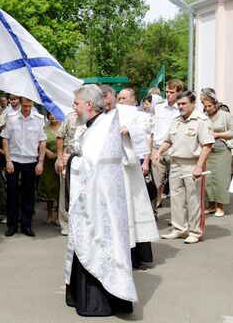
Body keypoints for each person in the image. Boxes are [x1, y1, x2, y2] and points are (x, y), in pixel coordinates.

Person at [64, 84, 137, 316]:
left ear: (88, 104)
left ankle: (98, 301)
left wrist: (70, 160)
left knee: (97, 243)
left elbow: (91, 166)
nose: (74, 108)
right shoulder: (95, 126)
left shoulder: (104, 127)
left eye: (76, 103)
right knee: (86, 243)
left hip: (99, 204)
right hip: (96, 199)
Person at [153, 90, 214, 244]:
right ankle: (179, 229)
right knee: (176, 198)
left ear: (193, 104)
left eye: (184, 103)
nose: (180, 106)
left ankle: (195, 231)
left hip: (192, 164)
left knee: (194, 200)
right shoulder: (176, 120)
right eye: (179, 104)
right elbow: (168, 140)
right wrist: (159, 151)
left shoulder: (201, 120)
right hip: (176, 163)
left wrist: (199, 166)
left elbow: (207, 146)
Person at [111, 88, 159, 270]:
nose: (120, 100)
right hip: (119, 167)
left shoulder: (141, 115)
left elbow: (147, 136)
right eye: (119, 98)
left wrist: (129, 129)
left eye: (124, 97)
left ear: (133, 99)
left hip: (134, 168)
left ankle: (139, 255)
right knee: (124, 209)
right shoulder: (113, 113)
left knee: (136, 207)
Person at [1, 97, 46, 237]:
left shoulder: (38, 119)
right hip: (14, 160)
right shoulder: (11, 117)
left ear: (33, 105)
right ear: (20, 104)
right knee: (12, 194)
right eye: (24, 105)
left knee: (29, 194)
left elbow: (42, 141)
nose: (27, 108)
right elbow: (5, 140)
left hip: (31, 160)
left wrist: (41, 162)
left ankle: (26, 225)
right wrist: (8, 161)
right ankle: (12, 225)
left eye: (29, 106)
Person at [150, 79, 183, 209]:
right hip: (157, 149)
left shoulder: (182, 108)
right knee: (155, 184)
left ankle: (177, 217)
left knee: (176, 185)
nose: (168, 94)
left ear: (179, 92)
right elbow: (153, 130)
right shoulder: (158, 107)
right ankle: (154, 213)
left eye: (172, 92)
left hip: (175, 150)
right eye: (167, 91)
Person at [201, 89, 232, 217]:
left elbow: (231, 132)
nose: (208, 108)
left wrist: (217, 134)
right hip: (207, 150)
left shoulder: (225, 115)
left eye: (210, 106)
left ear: (215, 103)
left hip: (221, 150)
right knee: (208, 179)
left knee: (220, 178)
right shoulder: (204, 116)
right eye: (205, 106)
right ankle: (211, 205)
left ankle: (220, 206)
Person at [55, 111, 80, 236]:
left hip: (85, 159)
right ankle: (65, 223)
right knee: (65, 192)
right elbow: (60, 137)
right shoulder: (70, 117)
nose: (75, 106)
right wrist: (60, 160)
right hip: (67, 157)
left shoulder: (96, 116)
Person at [38, 111, 61, 225]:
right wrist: (46, 150)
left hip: (60, 162)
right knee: (48, 188)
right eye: (50, 114)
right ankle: (49, 214)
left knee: (59, 188)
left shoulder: (63, 127)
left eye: (54, 114)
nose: (52, 116)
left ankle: (59, 216)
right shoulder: (44, 128)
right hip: (47, 163)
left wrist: (59, 154)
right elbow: (38, 142)